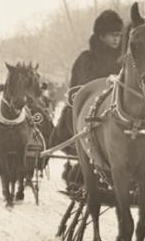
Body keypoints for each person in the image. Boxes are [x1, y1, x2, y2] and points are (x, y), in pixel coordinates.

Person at [50, 9, 124, 154]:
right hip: (90, 114)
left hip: (117, 112)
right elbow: (77, 91)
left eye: (119, 36)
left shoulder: (123, 60)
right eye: (113, 35)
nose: (117, 40)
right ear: (102, 36)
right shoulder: (86, 60)